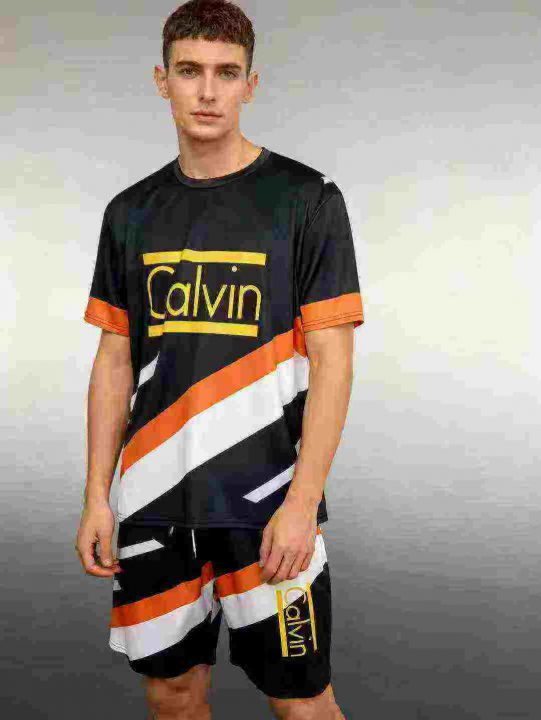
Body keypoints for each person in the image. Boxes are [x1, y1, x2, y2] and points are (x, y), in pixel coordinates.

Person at [75, 1, 365, 717]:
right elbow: (114, 361)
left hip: (265, 506)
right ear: (161, 80)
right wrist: (97, 496)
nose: (207, 92)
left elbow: (333, 363)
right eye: (190, 71)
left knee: (301, 703)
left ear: (250, 85)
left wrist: (301, 503)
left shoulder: (306, 201)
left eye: (226, 73)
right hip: (152, 508)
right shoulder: (130, 212)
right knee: (172, 696)